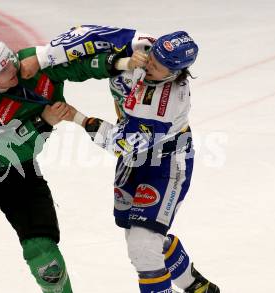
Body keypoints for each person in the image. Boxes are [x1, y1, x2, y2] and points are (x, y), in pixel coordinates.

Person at [0, 38, 126, 293]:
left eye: (10, 62)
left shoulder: (30, 63)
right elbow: (5, 153)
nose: (13, 70)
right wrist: (43, 121)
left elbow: (76, 66)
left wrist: (116, 63)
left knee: (45, 258)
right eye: (2, 71)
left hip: (23, 175)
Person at [23, 25, 221, 293]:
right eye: (152, 57)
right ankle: (197, 287)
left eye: (159, 66)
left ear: (175, 73)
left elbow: (122, 144)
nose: (150, 64)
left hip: (165, 161)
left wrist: (78, 118)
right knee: (142, 238)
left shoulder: (166, 104)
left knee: (142, 245)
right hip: (133, 158)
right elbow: (89, 35)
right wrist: (42, 57)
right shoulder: (141, 45)